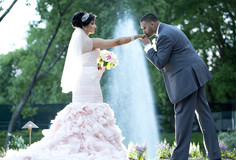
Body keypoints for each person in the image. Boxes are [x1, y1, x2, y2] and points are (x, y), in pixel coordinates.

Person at [2, 11, 144, 160]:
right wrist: (136, 37)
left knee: (80, 113)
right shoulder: (90, 42)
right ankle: (91, 149)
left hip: (81, 81)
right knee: (94, 111)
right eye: (92, 23)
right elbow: (117, 42)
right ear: (84, 25)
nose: (94, 26)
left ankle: (84, 148)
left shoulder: (79, 40)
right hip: (90, 82)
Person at [140, 13, 221, 160]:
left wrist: (147, 47)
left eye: (144, 27)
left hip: (186, 79)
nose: (144, 31)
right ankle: (215, 155)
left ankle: (179, 157)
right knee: (205, 117)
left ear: (152, 24)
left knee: (182, 117)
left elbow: (160, 62)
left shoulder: (164, 35)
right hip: (196, 74)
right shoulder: (169, 30)